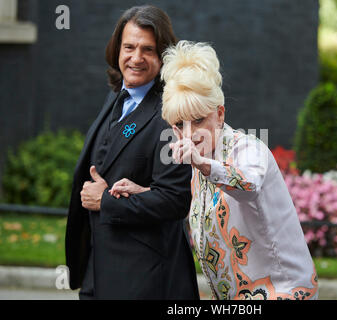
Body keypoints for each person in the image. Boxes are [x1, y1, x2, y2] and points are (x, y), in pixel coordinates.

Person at [110, 41, 319, 300]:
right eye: (179, 124)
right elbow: (195, 209)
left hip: (284, 292)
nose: (190, 133)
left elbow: (248, 185)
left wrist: (200, 163)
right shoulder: (203, 161)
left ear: (219, 114)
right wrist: (142, 191)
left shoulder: (247, 148)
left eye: (198, 120)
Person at [65, 6, 199, 300]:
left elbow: (175, 199)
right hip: (98, 269)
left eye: (147, 50)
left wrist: (105, 201)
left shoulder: (171, 114)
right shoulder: (117, 94)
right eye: (129, 47)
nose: (136, 58)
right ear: (117, 49)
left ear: (164, 56)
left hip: (144, 279)